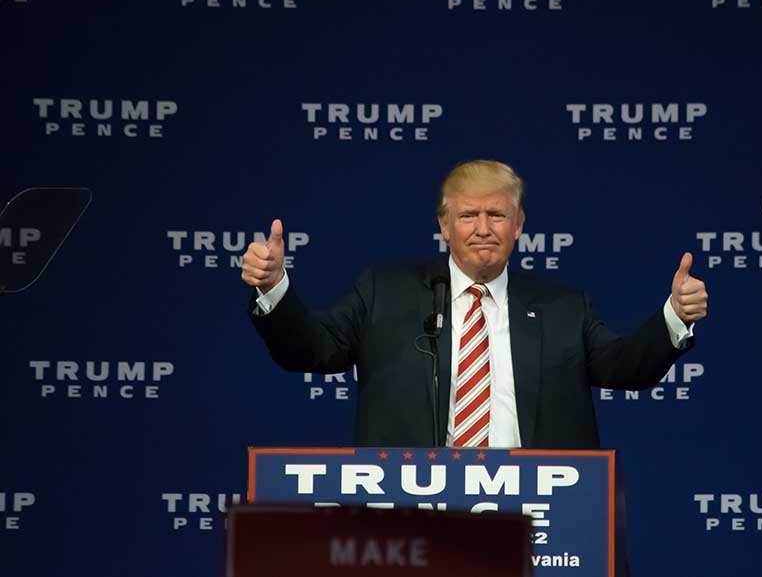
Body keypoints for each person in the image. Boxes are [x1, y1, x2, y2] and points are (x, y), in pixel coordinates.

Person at [243, 160, 708, 448]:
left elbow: (624, 367)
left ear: (519, 223)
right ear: (444, 225)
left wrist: (674, 315)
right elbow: (313, 350)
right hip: (412, 511)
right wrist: (275, 286)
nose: (482, 227)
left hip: (537, 512)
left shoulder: (564, 308)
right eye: (468, 215)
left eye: (496, 214)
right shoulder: (384, 291)